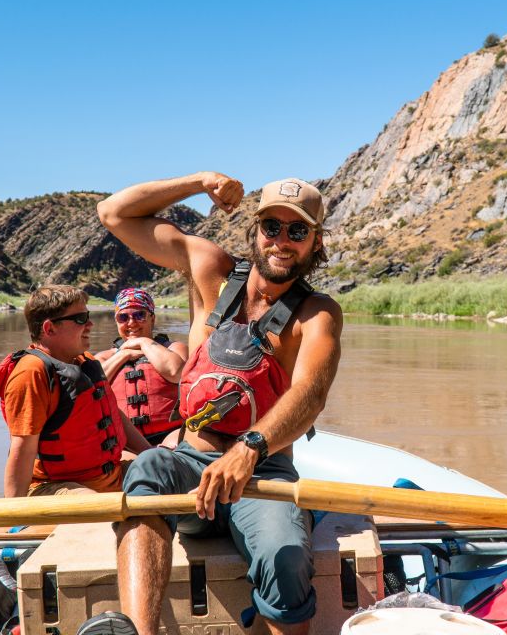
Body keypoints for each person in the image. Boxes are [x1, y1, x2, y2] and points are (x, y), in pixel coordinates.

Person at [97, 173, 343, 635]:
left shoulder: (318, 313)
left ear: (316, 242)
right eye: (272, 226)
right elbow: (113, 213)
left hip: (262, 474)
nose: (282, 242)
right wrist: (198, 181)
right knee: (148, 466)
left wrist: (249, 448)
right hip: (190, 463)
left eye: (298, 231)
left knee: (286, 561)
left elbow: (309, 395)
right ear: (254, 230)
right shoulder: (209, 268)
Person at [0, 284, 151, 497]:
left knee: (167, 468)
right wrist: (14, 518)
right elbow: (22, 451)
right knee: (95, 505)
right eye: (80, 319)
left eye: (88, 316)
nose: (90, 324)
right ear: (50, 328)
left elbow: (114, 416)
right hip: (54, 486)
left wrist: (151, 453)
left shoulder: (86, 360)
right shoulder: (31, 373)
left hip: (109, 476)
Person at [95, 288, 188, 446]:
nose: (131, 322)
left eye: (139, 315)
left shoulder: (175, 348)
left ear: (152, 318)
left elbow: (176, 372)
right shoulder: (104, 357)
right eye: (123, 317)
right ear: (116, 321)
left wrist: (142, 342)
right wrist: (123, 354)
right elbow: (92, 389)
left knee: (164, 455)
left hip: (171, 436)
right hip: (125, 442)